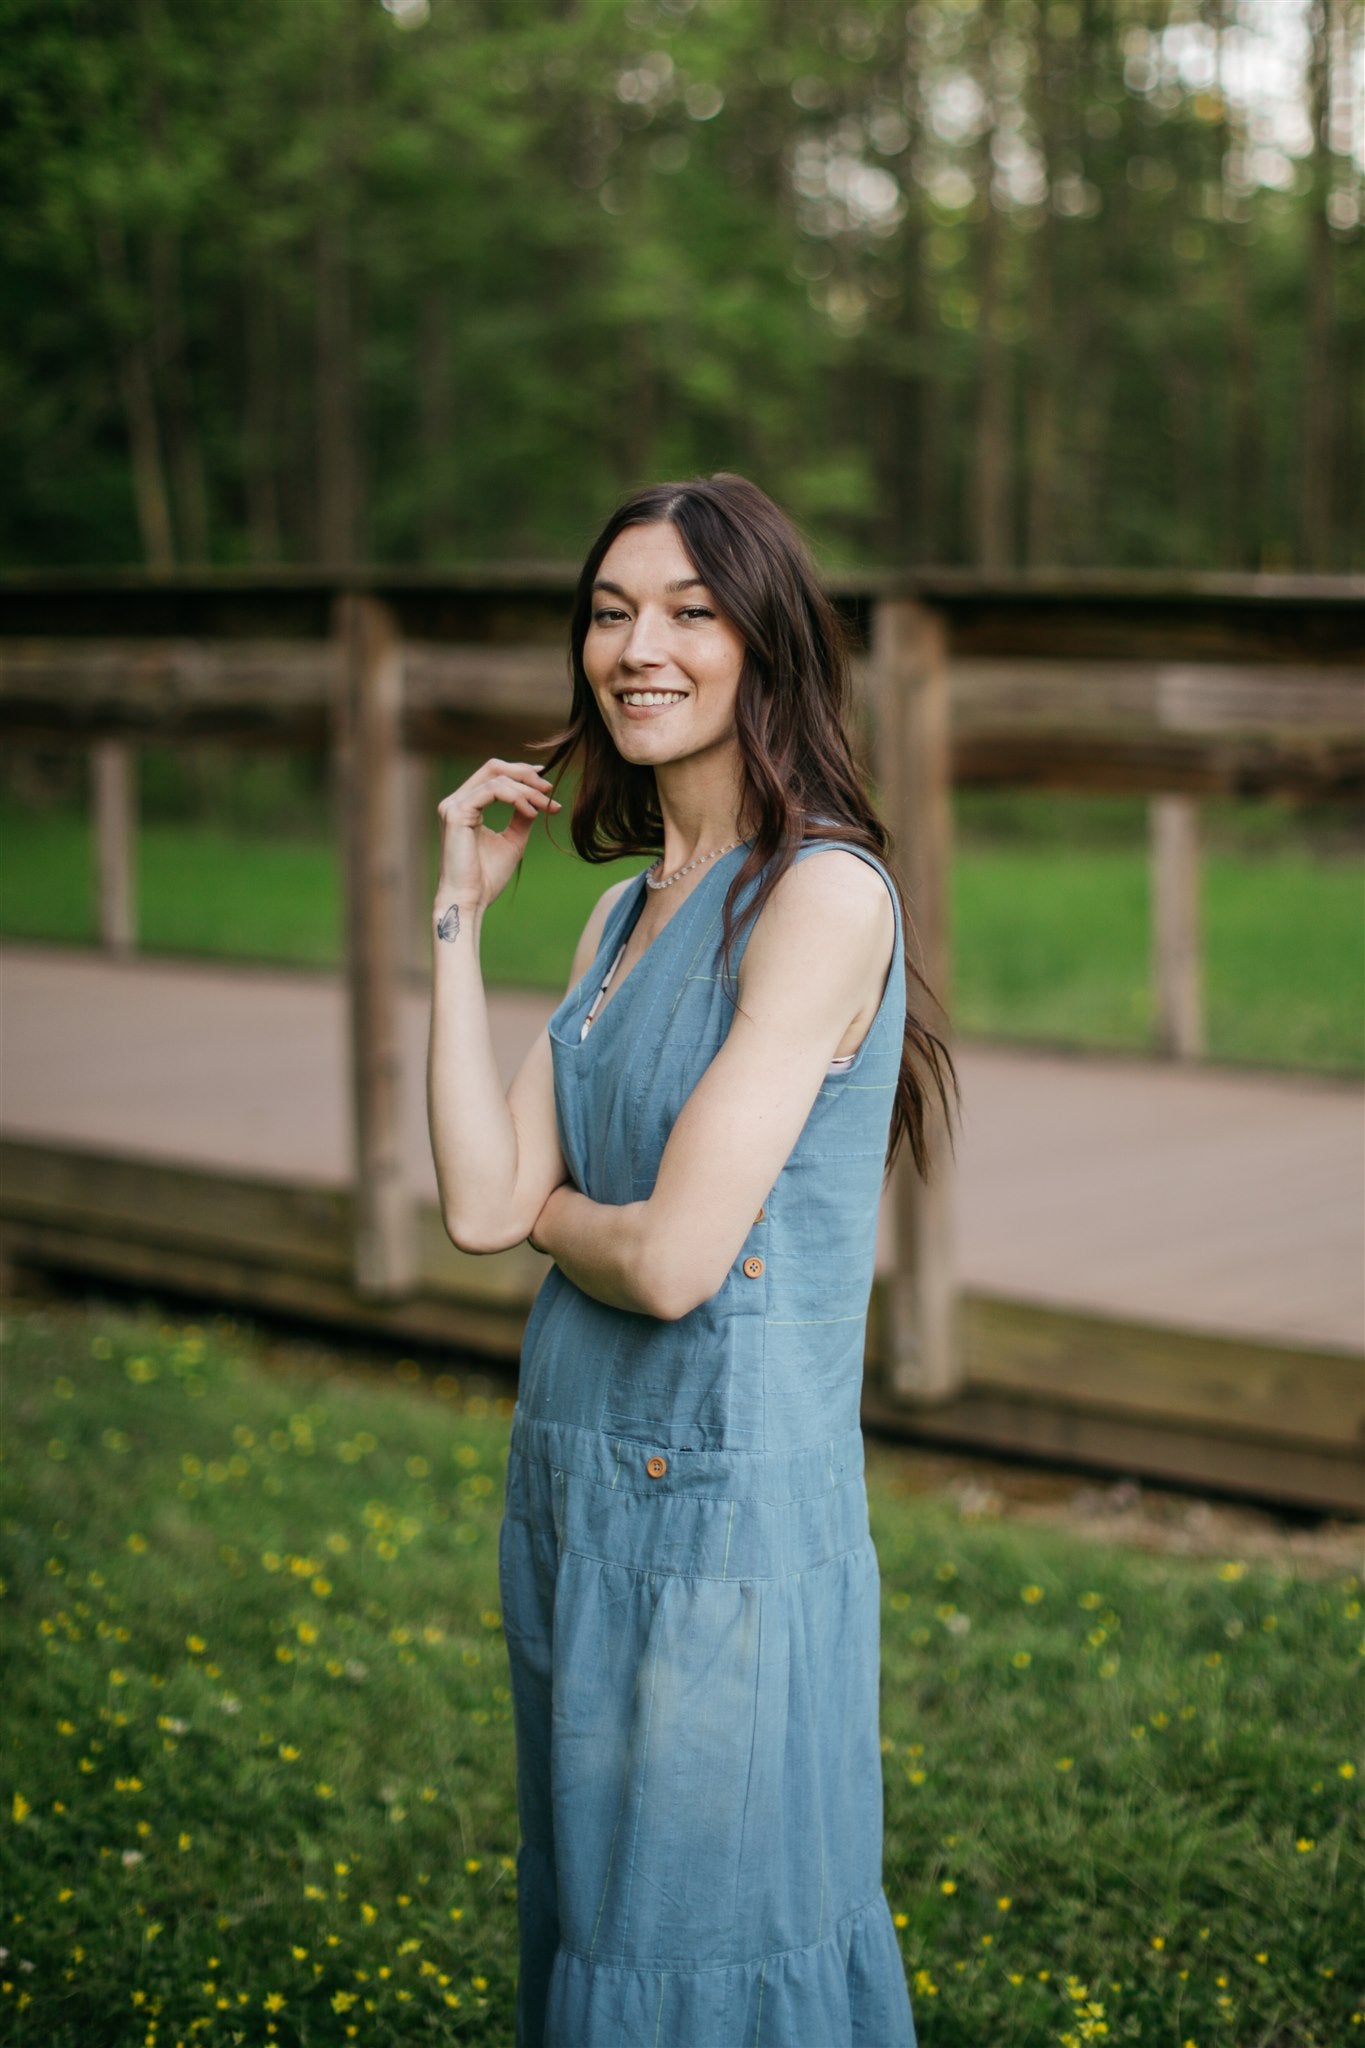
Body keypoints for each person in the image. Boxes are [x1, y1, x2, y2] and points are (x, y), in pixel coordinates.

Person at [427, 473, 959, 2047]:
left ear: (764, 643)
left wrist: (565, 1217)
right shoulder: (612, 920)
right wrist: (457, 920)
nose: (636, 647)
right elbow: (474, 1202)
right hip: (577, 1491)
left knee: (707, 1936)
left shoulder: (820, 898)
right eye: (608, 612)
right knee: (603, 1914)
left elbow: (667, 1267)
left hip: (721, 1508)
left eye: (687, 612)